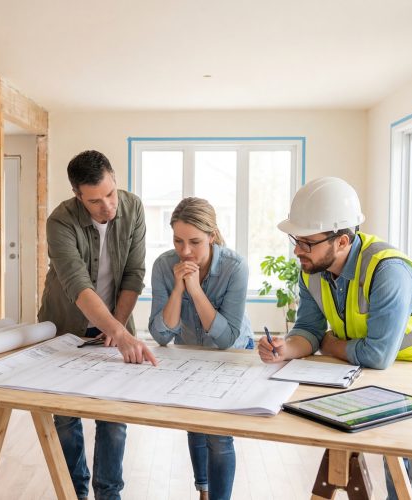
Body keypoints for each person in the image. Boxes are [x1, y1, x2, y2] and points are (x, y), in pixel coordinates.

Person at [257, 177, 412, 500]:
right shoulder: (311, 270)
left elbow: (377, 354)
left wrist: (329, 344)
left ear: (341, 241)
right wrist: (286, 348)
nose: (298, 250)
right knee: (393, 450)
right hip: (395, 367)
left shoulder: (389, 272)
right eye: (295, 239)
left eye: (307, 242)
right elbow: (309, 331)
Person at [38, 149, 156, 500]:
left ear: (115, 179)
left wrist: (116, 327)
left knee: (113, 417)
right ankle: (74, 492)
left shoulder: (132, 207)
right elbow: (77, 284)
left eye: (110, 193)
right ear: (78, 195)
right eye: (95, 201)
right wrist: (119, 333)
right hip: (65, 325)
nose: (107, 206)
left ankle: (109, 493)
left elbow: (135, 274)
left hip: (116, 322)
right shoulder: (59, 221)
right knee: (65, 418)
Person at [148, 197, 253, 500]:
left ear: (212, 235)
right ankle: (203, 492)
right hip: (192, 353)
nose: (185, 251)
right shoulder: (164, 266)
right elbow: (161, 334)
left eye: (194, 241)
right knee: (194, 426)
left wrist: (194, 290)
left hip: (233, 353)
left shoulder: (235, 267)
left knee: (218, 436)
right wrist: (179, 287)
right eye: (178, 241)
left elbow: (225, 338)